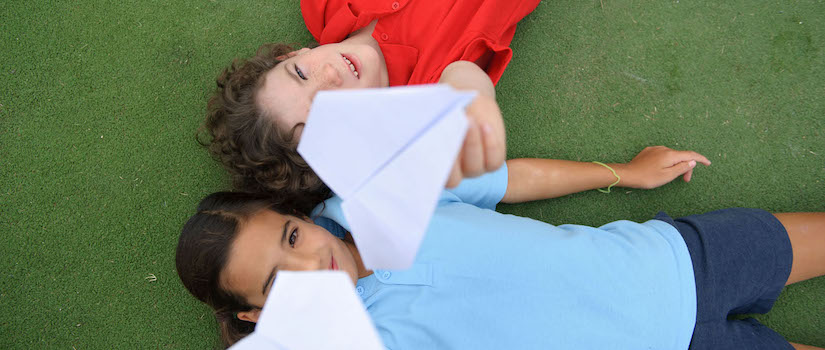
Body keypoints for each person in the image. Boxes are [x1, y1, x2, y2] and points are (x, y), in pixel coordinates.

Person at [174, 145, 825, 349]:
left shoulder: (370, 197)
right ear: (259, 317)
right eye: (280, 280)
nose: (310, 261)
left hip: (675, 259)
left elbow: (507, 181)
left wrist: (620, 174)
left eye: (291, 236)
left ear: (297, 216)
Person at [201, 0, 541, 214]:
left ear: (291, 55)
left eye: (300, 73)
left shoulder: (322, 7)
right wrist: (473, 102)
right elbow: (463, 79)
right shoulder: (427, 90)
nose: (329, 76)